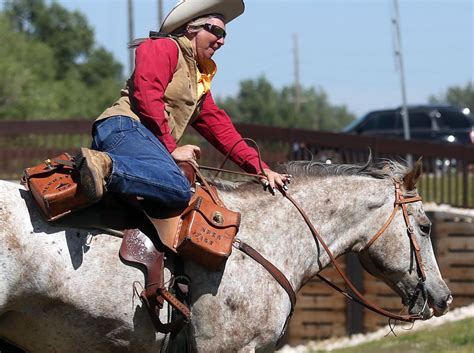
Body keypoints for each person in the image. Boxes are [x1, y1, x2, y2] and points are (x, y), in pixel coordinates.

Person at [79, 0, 290, 210]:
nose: (221, 41)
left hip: (143, 138)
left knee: (178, 188)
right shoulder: (164, 46)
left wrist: (260, 168)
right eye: (216, 31)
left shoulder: (197, 80)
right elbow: (147, 95)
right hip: (123, 128)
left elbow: (221, 130)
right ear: (192, 27)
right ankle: (105, 166)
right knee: (179, 187)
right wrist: (172, 148)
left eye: (224, 34)